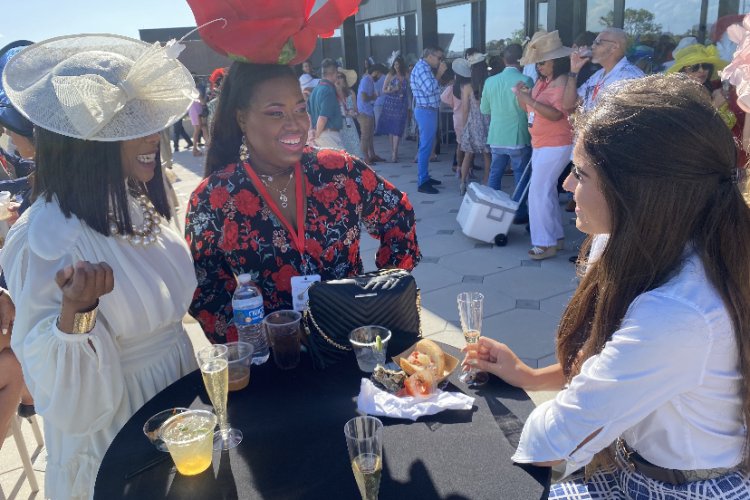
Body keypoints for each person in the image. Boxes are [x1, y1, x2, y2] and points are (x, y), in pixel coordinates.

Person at [464, 75, 750, 497]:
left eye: (580, 174)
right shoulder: (637, 244)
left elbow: (553, 441)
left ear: (636, 193)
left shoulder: (679, 313)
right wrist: (529, 375)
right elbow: (610, 364)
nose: (567, 186)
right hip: (629, 466)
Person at [0, 34, 200, 499]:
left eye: (150, 122)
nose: (154, 136)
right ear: (88, 141)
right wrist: (78, 313)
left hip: (178, 396)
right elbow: (55, 390)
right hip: (117, 425)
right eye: (133, 124)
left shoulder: (132, 201)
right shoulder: (46, 235)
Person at [185, 62, 421, 343]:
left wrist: (382, 292)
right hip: (276, 364)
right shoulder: (214, 197)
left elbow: (398, 215)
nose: (295, 123)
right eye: (276, 113)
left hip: (350, 348)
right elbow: (204, 289)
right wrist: (256, 340)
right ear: (242, 119)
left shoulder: (339, 171)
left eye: (300, 109)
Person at [515, 31, 574, 260]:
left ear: (556, 61)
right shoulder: (544, 81)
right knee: (545, 191)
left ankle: (545, 243)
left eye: (543, 62)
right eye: (537, 63)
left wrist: (529, 99)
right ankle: (554, 238)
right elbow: (529, 109)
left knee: (538, 193)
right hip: (542, 143)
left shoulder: (562, 82)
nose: (539, 67)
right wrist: (523, 96)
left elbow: (555, 114)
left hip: (556, 143)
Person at [481, 43, 533, 223]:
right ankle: (518, 213)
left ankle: (490, 209)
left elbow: (485, 109)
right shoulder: (526, 81)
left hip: (496, 135)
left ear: (504, 59)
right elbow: (530, 110)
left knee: (495, 173)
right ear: (522, 60)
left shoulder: (490, 81)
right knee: (520, 175)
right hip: (518, 135)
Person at [563, 27, 644, 114]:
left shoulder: (630, 78)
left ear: (614, 47)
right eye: (593, 43)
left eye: (598, 43)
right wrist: (574, 71)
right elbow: (568, 105)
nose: (592, 46)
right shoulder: (598, 75)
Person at [411, 46, 448, 194]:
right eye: (439, 58)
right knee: (426, 146)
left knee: (427, 145)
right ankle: (422, 181)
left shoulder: (423, 68)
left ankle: (425, 177)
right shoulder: (422, 69)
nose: (440, 61)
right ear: (430, 56)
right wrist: (439, 74)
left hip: (428, 110)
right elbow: (430, 88)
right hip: (426, 111)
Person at [457, 54, 491, 194]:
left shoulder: (467, 87)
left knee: (468, 155)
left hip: (473, 123)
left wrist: (465, 126)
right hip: (488, 123)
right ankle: (486, 181)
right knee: (487, 155)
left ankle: (463, 182)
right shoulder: (490, 83)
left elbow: (465, 109)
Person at [376, 55, 410, 162]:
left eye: (398, 65)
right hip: (390, 104)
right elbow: (383, 90)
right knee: (391, 129)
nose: (397, 67)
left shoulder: (406, 75)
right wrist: (393, 89)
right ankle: (393, 151)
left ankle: (395, 151)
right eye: (395, 64)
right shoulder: (390, 75)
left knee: (398, 128)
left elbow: (412, 86)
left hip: (401, 104)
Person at [308, 58, 345, 149]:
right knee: (340, 162)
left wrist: (311, 132)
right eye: (337, 73)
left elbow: (308, 114)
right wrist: (316, 135)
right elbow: (323, 118)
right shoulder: (328, 90)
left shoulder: (315, 89)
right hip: (328, 136)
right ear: (333, 73)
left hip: (320, 135)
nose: (337, 76)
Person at [442, 58, 470, 174]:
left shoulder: (452, 88)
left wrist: (454, 105)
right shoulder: (469, 87)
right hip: (468, 118)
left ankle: (459, 166)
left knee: (459, 144)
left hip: (457, 118)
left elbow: (443, 98)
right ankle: (468, 169)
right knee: (469, 147)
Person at [357, 63, 386, 164]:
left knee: (369, 136)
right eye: (380, 75)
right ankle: (365, 158)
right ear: (376, 72)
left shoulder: (368, 80)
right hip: (364, 111)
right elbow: (364, 97)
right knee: (365, 136)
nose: (379, 78)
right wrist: (373, 97)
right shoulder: (366, 80)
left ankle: (372, 155)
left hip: (368, 110)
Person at [335, 68, 361, 156]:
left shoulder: (351, 93)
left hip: (350, 126)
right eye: (336, 77)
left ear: (344, 79)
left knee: (354, 153)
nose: (338, 79)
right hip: (338, 126)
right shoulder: (332, 93)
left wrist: (353, 113)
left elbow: (357, 112)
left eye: (340, 77)